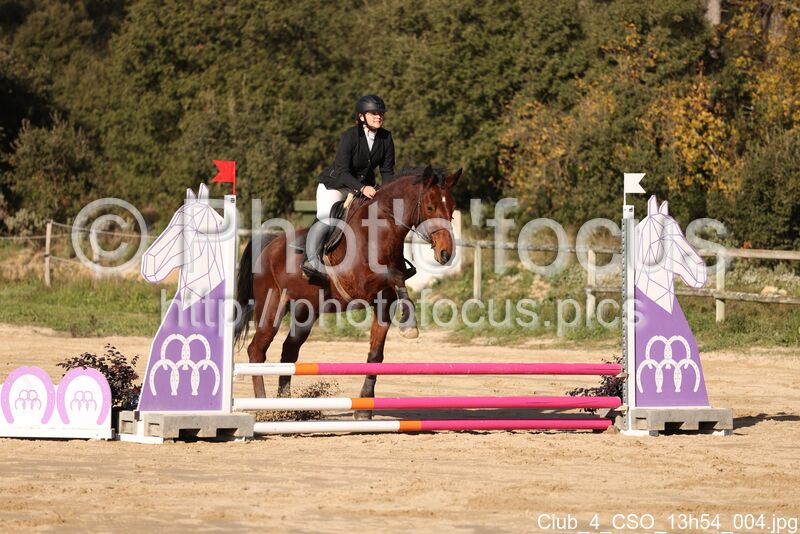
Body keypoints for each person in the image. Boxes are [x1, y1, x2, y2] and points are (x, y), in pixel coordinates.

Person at [302, 94, 396, 279]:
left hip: (364, 187)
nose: (379, 116)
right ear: (362, 116)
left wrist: (388, 195)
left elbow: (387, 171)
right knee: (326, 216)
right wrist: (362, 188)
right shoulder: (350, 136)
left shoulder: (386, 138)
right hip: (337, 185)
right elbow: (342, 171)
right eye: (374, 113)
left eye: (381, 113)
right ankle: (310, 259)